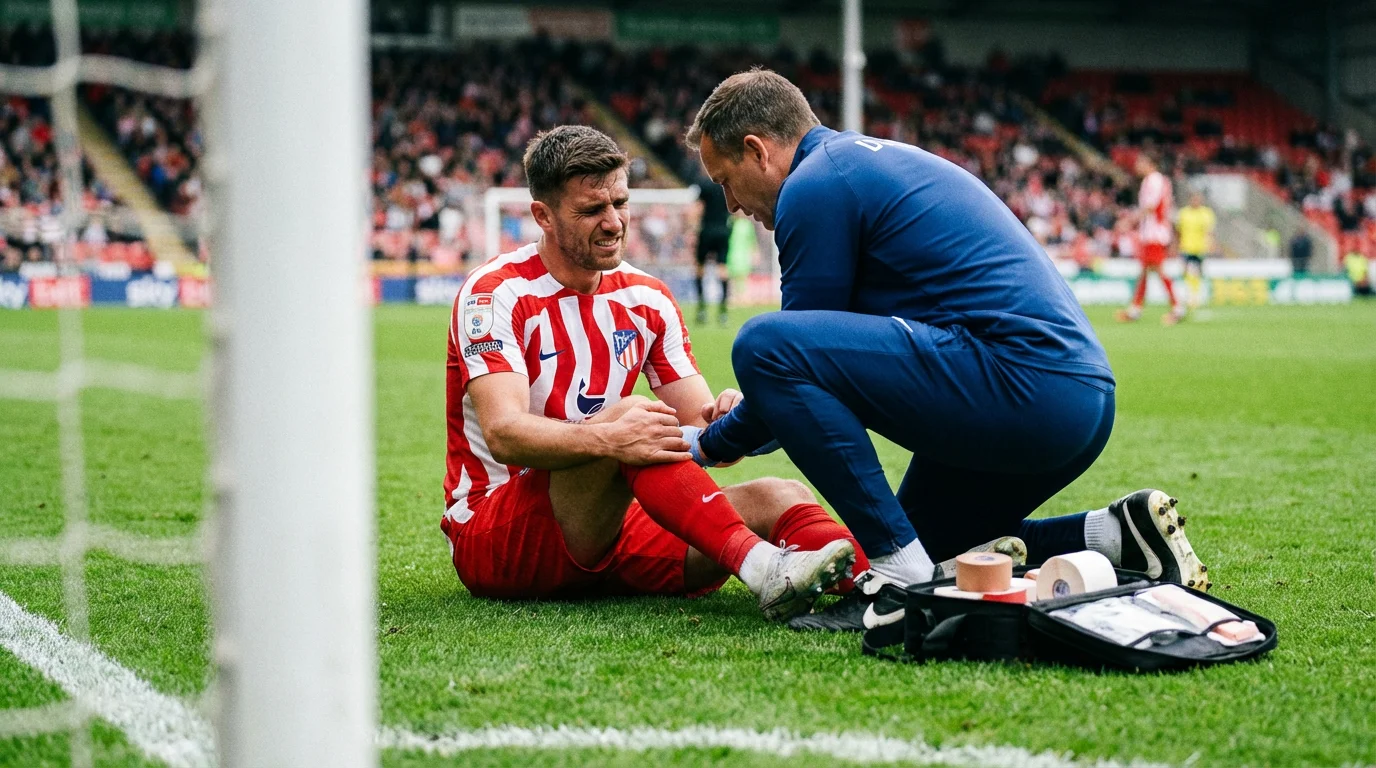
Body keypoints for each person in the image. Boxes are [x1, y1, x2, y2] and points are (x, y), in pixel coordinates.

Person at [681, 70, 1208, 631]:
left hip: (1020, 383)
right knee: (928, 547)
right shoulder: (860, 163)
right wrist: (750, 414)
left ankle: (898, 585)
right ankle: (1114, 537)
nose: (731, 204)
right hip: (1079, 400)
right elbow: (809, 374)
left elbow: (783, 358)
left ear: (757, 150)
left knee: (762, 343)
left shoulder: (813, 184)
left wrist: (707, 443)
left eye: (725, 180)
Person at [440, 125, 858, 622]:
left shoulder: (647, 297)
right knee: (634, 417)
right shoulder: (495, 294)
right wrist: (613, 439)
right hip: (499, 534)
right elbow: (504, 434)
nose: (614, 222)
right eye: (591, 210)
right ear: (543, 217)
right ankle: (763, 568)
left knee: (779, 495)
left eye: (620, 203)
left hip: (611, 528)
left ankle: (886, 585)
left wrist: (730, 418)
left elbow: (702, 438)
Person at [1118, 154, 1184, 325]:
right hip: (1154, 232)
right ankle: (1135, 309)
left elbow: (1150, 207)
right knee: (1146, 271)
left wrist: (1130, 220)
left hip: (1155, 233)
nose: (1137, 165)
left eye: (1140, 162)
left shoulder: (1153, 180)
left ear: (1150, 163)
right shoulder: (1158, 180)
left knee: (1157, 269)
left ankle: (1177, 308)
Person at [693, 168, 732, 326]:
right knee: (722, 268)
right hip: (723, 230)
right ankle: (723, 312)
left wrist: (693, 228)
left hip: (707, 230)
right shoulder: (726, 185)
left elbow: (698, 208)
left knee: (700, 267)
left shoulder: (704, 185)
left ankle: (702, 309)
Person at [1176, 191, 1216, 310]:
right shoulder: (1183, 213)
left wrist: (1211, 243)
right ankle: (1187, 294)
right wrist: (1176, 245)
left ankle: (1195, 296)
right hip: (1186, 246)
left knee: (1197, 273)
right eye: (1194, 199)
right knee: (1185, 272)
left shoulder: (1206, 213)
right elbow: (1178, 231)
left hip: (1200, 248)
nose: (1196, 201)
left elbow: (1209, 231)